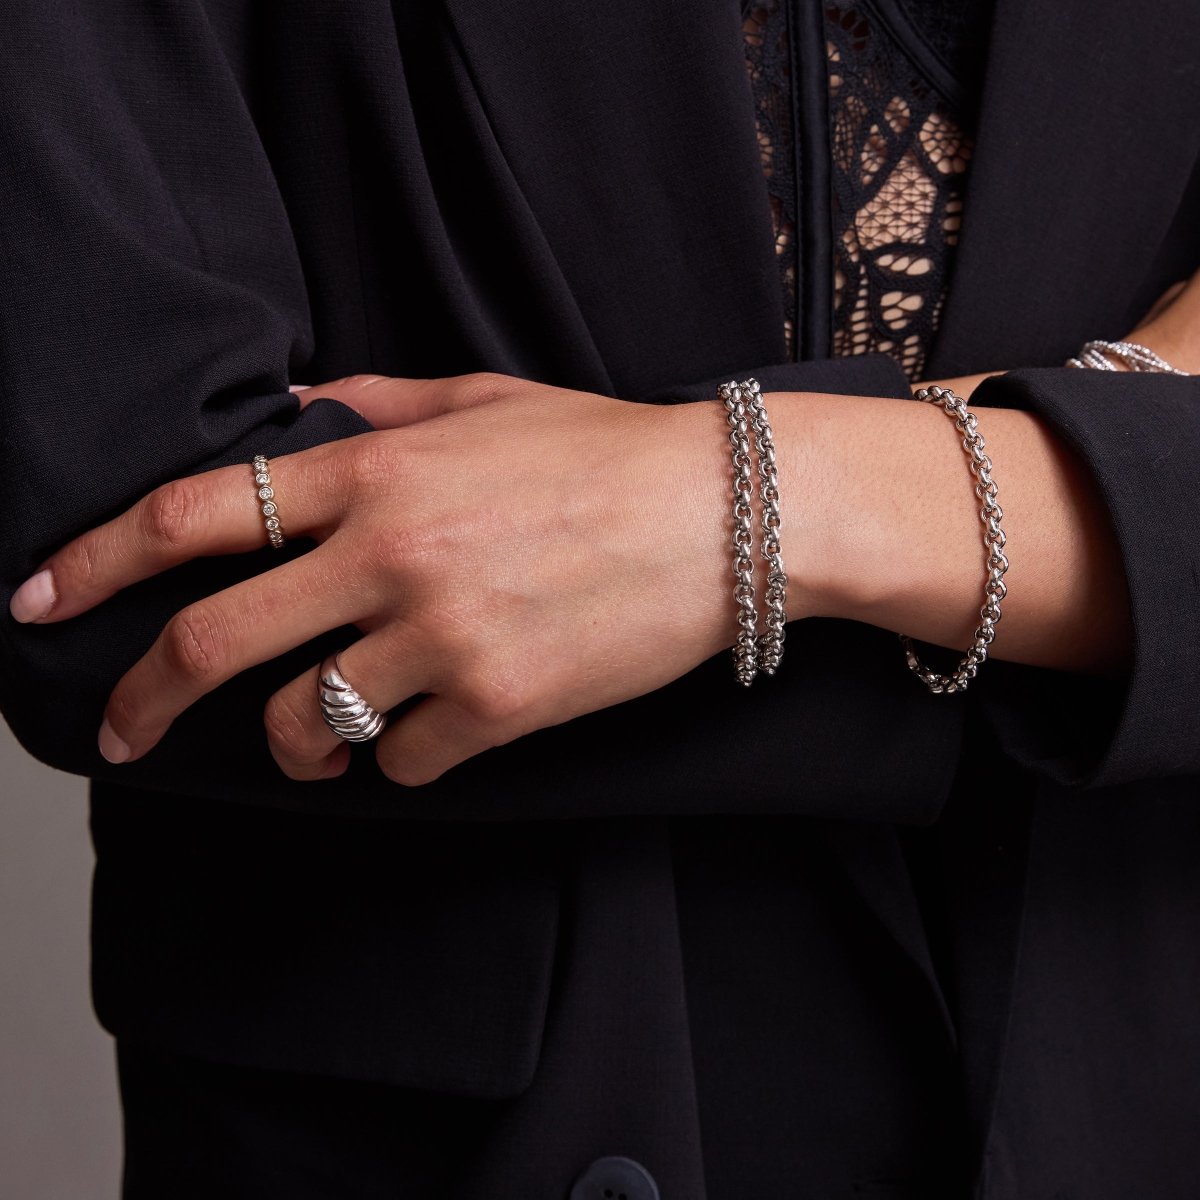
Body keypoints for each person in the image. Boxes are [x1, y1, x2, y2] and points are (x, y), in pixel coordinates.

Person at [1, 0, 1198, 1196]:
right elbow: (105, 562)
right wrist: (1101, 523)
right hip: (479, 1102)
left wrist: (755, 506)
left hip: (1127, 1003)